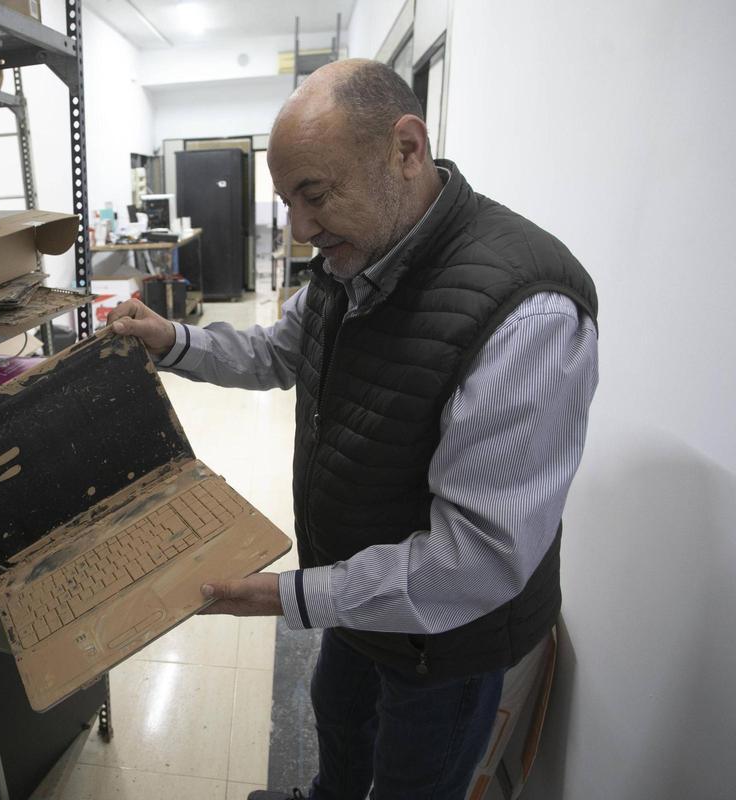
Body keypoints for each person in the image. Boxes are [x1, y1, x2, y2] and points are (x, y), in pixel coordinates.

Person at [107, 59, 599, 800]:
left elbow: (474, 561)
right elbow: (280, 351)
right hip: (360, 596)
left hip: (444, 644)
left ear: (406, 150)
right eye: (288, 202)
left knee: (411, 779)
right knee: (338, 723)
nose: (302, 230)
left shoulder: (528, 312)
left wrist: (290, 598)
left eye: (315, 195)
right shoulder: (351, 260)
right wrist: (173, 342)